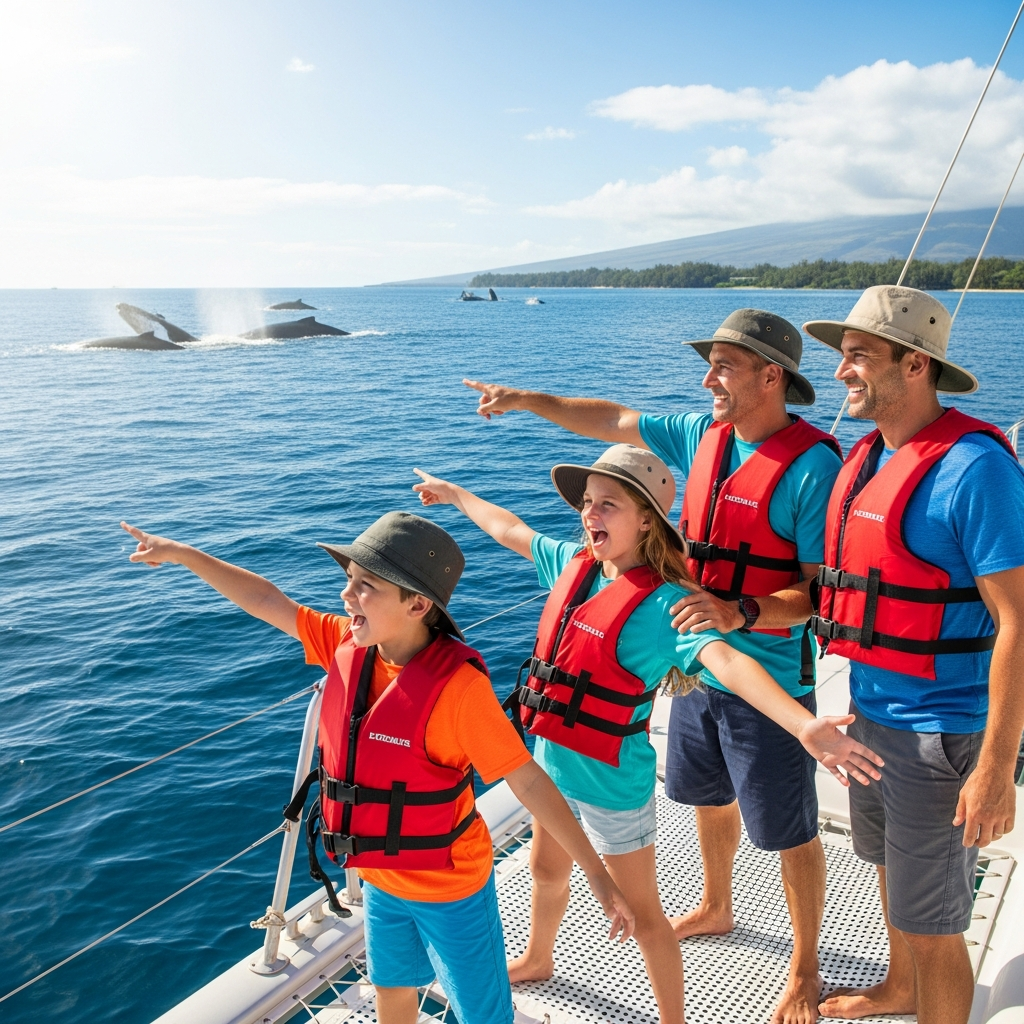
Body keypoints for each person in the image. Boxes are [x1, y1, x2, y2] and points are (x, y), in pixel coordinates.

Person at [462, 309, 844, 1024]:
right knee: (703, 793)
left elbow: (817, 593)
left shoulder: (814, 465)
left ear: (773, 375)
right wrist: (526, 400)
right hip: (686, 658)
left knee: (788, 828)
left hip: (759, 667)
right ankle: (718, 902)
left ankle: (805, 965)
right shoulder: (702, 435)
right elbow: (612, 419)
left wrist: (742, 612)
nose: (709, 380)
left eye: (724, 365)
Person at [412, 444, 881, 1024]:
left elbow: (728, 662)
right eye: (587, 503)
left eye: (608, 504)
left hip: (611, 783)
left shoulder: (665, 606)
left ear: (646, 521)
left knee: (642, 914)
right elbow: (510, 528)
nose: (590, 515)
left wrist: (803, 723)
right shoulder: (572, 567)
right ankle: (538, 956)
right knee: (545, 869)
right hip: (550, 766)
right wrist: (455, 496)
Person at [119, 512, 635, 1024]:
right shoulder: (344, 643)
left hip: (449, 890)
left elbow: (525, 778)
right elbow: (266, 600)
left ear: (416, 604)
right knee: (391, 991)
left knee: (484, 1014)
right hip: (381, 882)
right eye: (349, 580)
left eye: (365, 586)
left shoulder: (459, 691)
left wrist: (598, 874)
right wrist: (182, 554)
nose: (347, 596)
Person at [801, 286, 1024, 1024]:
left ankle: (922, 989)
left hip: (940, 733)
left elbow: (1017, 621)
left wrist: (994, 769)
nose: (842, 374)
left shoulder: (976, 469)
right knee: (889, 872)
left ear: (916, 364)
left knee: (936, 931)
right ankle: (897, 991)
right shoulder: (866, 458)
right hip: (872, 717)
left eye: (860, 357)